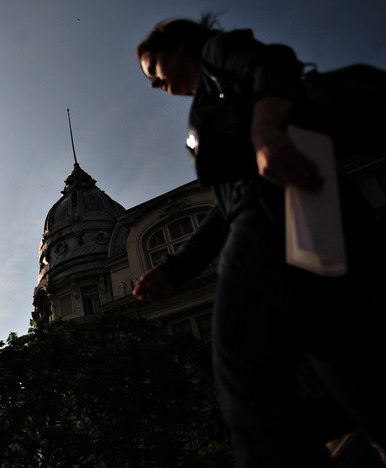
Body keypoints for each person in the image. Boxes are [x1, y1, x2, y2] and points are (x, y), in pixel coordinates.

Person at [133, 15, 386, 467]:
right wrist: (175, 268)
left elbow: (273, 61)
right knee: (348, 366)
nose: (154, 83)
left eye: (153, 69)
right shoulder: (217, 96)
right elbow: (228, 206)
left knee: (244, 378)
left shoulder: (218, 55)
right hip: (308, 221)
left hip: (271, 225)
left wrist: (266, 131)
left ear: (178, 46)